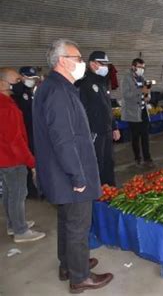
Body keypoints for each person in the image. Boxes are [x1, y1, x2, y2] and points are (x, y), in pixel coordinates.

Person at [33, 39, 113, 293]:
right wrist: (78, 177)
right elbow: (63, 139)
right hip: (68, 172)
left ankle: (69, 263)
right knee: (79, 224)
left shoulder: (55, 87)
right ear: (62, 60)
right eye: (77, 58)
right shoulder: (58, 92)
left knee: (67, 221)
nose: (81, 63)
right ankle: (80, 277)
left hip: (60, 172)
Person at [0, 67, 45, 243]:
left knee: (10, 194)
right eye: (17, 81)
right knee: (18, 194)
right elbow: (15, 140)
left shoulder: (7, 103)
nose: (19, 84)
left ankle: (13, 224)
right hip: (12, 159)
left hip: (4, 157)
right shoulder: (6, 108)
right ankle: (20, 231)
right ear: (3, 83)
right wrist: (31, 162)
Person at [75, 51, 121, 186]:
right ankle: (97, 193)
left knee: (109, 162)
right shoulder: (83, 84)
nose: (105, 67)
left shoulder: (103, 82)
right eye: (102, 64)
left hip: (106, 131)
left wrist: (114, 127)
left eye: (107, 64)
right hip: (94, 132)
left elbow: (107, 107)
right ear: (92, 64)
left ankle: (110, 189)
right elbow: (81, 112)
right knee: (96, 164)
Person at [13, 66, 40, 198]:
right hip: (23, 133)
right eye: (29, 78)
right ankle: (30, 190)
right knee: (27, 162)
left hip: (33, 131)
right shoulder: (17, 93)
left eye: (34, 78)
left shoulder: (30, 92)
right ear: (21, 77)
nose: (32, 81)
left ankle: (35, 188)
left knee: (34, 159)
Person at [121, 58, 153, 166]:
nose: (141, 69)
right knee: (135, 137)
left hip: (143, 111)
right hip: (132, 112)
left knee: (145, 136)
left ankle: (147, 159)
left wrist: (148, 96)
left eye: (143, 67)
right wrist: (140, 92)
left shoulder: (143, 78)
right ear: (133, 66)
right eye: (139, 67)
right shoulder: (126, 78)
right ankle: (137, 158)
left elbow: (147, 92)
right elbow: (126, 95)